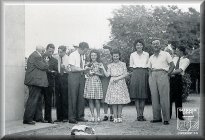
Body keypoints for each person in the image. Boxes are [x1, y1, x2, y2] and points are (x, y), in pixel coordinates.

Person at [148, 40, 175, 125]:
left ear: (160, 45)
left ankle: (166, 118)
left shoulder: (166, 54)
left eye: (157, 44)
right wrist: (150, 76)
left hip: (163, 74)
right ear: (152, 46)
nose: (155, 45)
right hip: (153, 75)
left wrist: (168, 74)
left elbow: (172, 65)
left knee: (164, 97)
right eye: (153, 44)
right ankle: (157, 118)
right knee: (154, 97)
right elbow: (149, 68)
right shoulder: (151, 57)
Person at [100, 49, 130, 123]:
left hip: (120, 82)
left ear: (119, 56)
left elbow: (126, 74)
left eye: (117, 56)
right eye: (114, 56)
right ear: (112, 57)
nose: (115, 57)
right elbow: (107, 75)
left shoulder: (123, 64)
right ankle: (115, 117)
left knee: (120, 101)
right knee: (113, 101)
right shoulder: (110, 65)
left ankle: (119, 116)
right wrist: (103, 68)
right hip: (113, 83)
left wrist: (118, 78)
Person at [23, 45, 49, 125]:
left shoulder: (34, 55)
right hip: (35, 82)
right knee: (33, 100)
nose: (44, 51)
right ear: (41, 50)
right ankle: (28, 119)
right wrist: (46, 61)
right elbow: (44, 66)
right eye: (43, 50)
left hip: (36, 82)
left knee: (38, 100)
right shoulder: (37, 56)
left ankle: (38, 118)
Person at [68, 42, 90, 124]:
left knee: (81, 97)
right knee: (73, 96)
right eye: (85, 51)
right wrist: (83, 69)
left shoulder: (82, 56)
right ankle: (72, 117)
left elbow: (82, 67)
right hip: (73, 76)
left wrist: (86, 68)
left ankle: (80, 116)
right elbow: (73, 69)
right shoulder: (72, 55)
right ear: (80, 48)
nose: (85, 52)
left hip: (81, 77)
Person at [129, 39, 149, 121]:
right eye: (137, 45)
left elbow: (148, 66)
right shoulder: (132, 54)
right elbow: (130, 66)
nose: (139, 46)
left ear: (143, 46)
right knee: (136, 96)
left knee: (143, 96)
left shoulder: (147, 54)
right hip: (135, 73)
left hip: (144, 73)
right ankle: (138, 115)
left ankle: (142, 115)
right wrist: (135, 73)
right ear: (135, 46)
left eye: (140, 45)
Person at [169, 46, 190, 120]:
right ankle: (168, 115)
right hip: (171, 79)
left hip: (178, 78)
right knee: (170, 97)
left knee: (178, 97)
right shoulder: (174, 58)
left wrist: (169, 73)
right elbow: (169, 66)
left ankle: (180, 115)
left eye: (177, 50)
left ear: (181, 51)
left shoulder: (186, 60)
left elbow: (180, 70)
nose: (176, 52)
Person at [84, 49, 104, 122]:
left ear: (97, 56)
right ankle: (92, 116)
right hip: (89, 81)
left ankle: (98, 116)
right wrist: (88, 73)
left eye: (95, 55)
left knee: (97, 100)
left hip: (96, 81)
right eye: (92, 55)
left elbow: (102, 74)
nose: (93, 56)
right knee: (90, 100)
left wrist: (96, 73)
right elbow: (85, 73)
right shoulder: (87, 64)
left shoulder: (100, 64)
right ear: (90, 56)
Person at [41, 44, 58, 123]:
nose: (51, 52)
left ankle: (48, 118)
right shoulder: (40, 57)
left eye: (52, 51)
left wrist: (53, 72)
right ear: (46, 49)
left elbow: (56, 71)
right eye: (49, 51)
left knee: (48, 101)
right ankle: (38, 118)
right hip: (40, 82)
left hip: (49, 83)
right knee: (39, 100)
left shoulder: (55, 60)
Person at [54, 45, 70, 122]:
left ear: (64, 51)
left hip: (65, 78)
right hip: (58, 78)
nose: (59, 53)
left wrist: (65, 68)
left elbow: (70, 71)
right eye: (58, 51)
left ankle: (65, 117)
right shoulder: (57, 58)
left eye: (60, 52)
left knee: (65, 98)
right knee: (58, 98)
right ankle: (59, 117)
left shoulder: (68, 58)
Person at [100, 49, 114, 122]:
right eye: (104, 51)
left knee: (111, 98)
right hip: (104, 80)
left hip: (112, 80)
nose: (106, 53)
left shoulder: (113, 59)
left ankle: (112, 115)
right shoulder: (101, 60)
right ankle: (105, 115)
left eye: (107, 51)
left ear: (109, 52)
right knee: (105, 98)